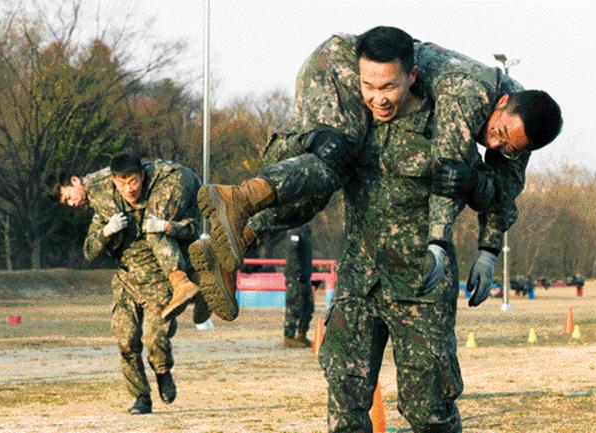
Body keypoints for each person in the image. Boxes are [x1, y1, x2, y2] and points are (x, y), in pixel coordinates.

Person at [179, 26, 563, 319]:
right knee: (335, 157)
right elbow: (448, 175)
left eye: (510, 147)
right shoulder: (468, 95)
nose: (496, 146)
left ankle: (229, 251)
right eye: (497, 134)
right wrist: (437, 246)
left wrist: (489, 251)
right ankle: (240, 197)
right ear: (501, 103)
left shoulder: (521, 125)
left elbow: (505, 189)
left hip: (384, 78)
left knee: (314, 197)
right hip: (344, 67)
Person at [49, 157, 237, 322]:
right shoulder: (97, 188)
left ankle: (182, 282)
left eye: (68, 197)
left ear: (75, 181)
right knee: (171, 230)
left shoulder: (97, 191)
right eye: (66, 203)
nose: (72, 204)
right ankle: (203, 281)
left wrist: (110, 235)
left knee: (152, 228)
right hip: (185, 179)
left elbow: (130, 224)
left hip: (173, 180)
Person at [282, 224, 315, 348]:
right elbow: (292, 252)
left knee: (308, 307)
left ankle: (302, 335)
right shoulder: (294, 230)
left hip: (305, 276)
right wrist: (297, 272)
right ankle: (288, 337)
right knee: (294, 306)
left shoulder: (306, 230)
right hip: (295, 276)